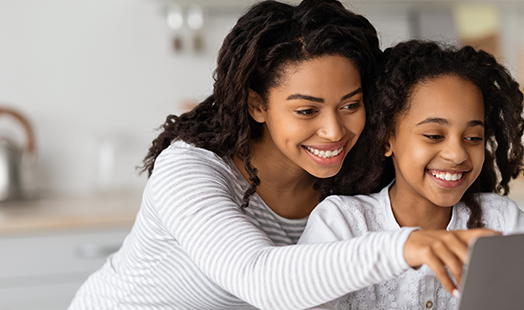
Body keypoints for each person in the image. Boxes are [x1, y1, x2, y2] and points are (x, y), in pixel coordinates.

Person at [69, 2, 496, 309]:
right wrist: (409, 245)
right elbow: (262, 278)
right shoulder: (190, 170)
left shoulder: (348, 172)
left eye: (350, 105)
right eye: (306, 111)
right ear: (257, 105)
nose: (334, 130)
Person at [298, 40, 524, 310]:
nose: (457, 154)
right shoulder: (341, 222)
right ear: (386, 139)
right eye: (434, 136)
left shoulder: (502, 221)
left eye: (473, 137)